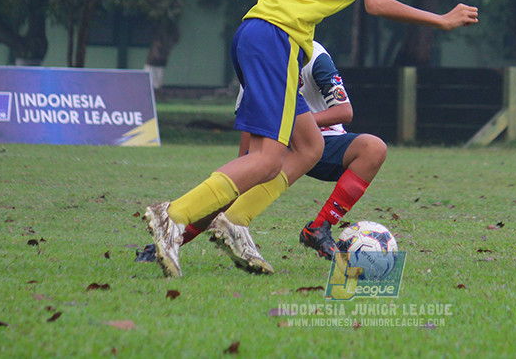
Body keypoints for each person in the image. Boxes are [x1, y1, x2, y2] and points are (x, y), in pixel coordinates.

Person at [144, 0, 478, 278]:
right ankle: (172, 216)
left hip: (259, 31)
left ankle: (236, 221)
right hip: (276, 40)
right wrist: (441, 20)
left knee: (308, 147)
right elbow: (375, 4)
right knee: (267, 160)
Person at [136, 40, 387, 273]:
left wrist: (297, 127)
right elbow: (246, 148)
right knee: (231, 192)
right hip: (277, 148)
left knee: (373, 148)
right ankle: (169, 240)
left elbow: (344, 111)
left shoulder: (315, 57)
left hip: (324, 141)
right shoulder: (258, 72)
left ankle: (318, 228)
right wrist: (242, 175)